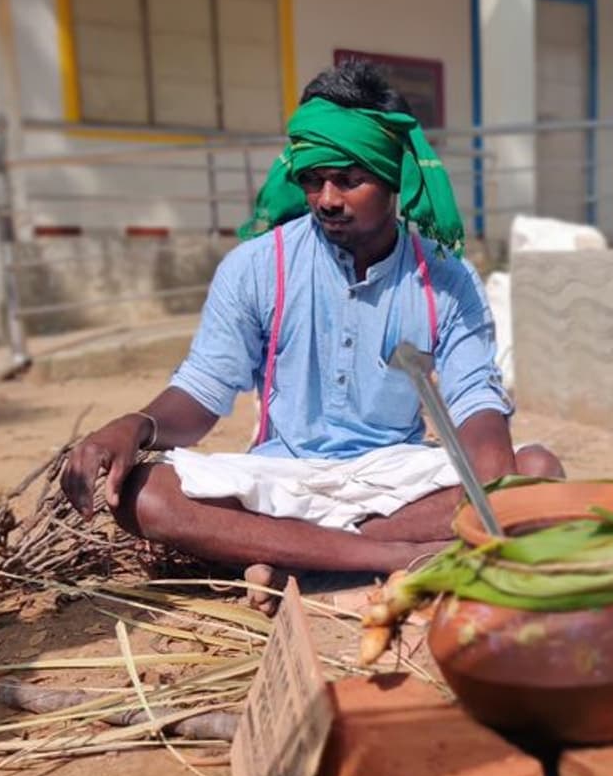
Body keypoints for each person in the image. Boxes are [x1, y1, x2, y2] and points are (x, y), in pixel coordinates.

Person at [59, 61, 563, 610]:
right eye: (313, 178)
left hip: (394, 479)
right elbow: (204, 392)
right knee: (144, 497)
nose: (326, 198)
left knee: (535, 471)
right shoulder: (254, 267)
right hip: (281, 478)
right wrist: (139, 424)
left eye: (349, 179)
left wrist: (493, 480)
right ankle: (397, 559)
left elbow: (475, 397)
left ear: (393, 177)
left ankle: (294, 559)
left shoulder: (446, 276)